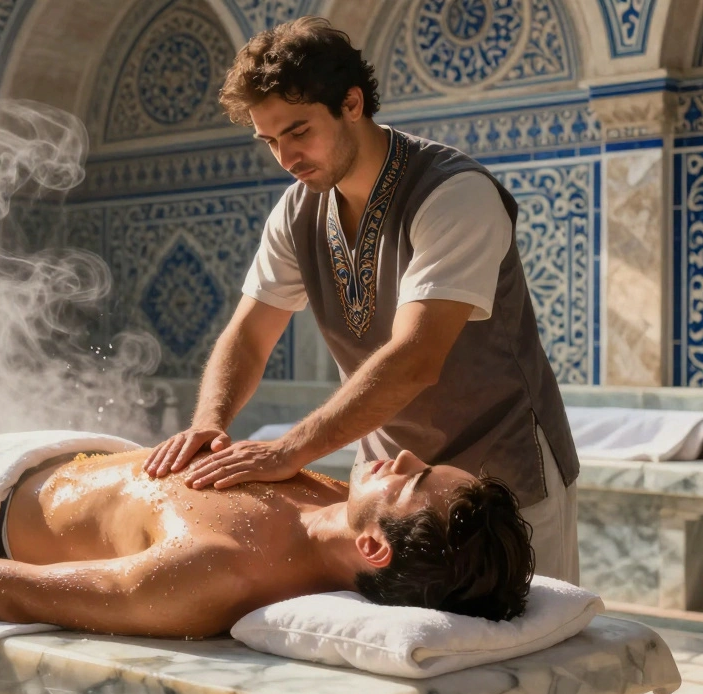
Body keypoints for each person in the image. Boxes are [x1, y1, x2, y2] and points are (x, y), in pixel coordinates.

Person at [145, 17, 581, 584]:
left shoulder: (454, 194)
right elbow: (250, 336)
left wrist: (286, 451)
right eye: (270, 140)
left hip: (503, 475)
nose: (286, 157)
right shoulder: (297, 210)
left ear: (352, 103)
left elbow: (417, 357)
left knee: (525, 653)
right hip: (386, 487)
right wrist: (209, 423)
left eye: (298, 132)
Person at [0, 433, 533, 639]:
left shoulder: (220, 570)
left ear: (375, 551)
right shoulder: (319, 484)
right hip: (49, 450)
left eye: (412, 480)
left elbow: (29, 592)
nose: (406, 455)